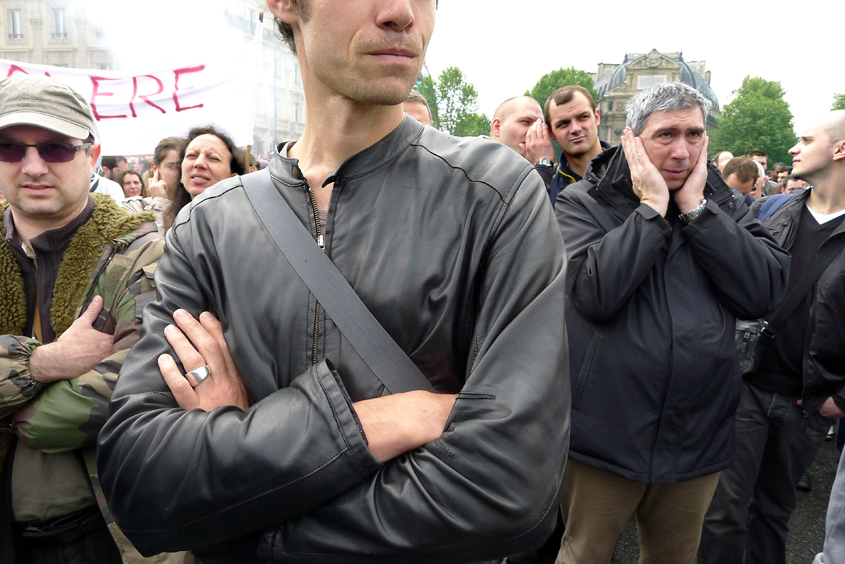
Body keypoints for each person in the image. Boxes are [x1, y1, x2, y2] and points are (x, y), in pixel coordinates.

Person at [97, 2, 569, 564]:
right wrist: (376, 421)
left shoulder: (495, 196)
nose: (401, 12)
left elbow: (508, 488)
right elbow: (139, 479)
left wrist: (238, 488)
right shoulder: (211, 224)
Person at [554, 82, 789, 564]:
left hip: (697, 431)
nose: (683, 151)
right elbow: (595, 294)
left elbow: (764, 291)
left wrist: (699, 213)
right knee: (584, 553)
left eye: (695, 134)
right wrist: (652, 210)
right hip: (606, 431)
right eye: (667, 135)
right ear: (632, 140)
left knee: (675, 556)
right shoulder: (583, 203)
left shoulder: (724, 205)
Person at [0, 75, 176, 562]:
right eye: (10, 148)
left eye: (55, 148)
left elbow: (145, 378)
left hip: (103, 532)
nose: (32, 166)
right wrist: (45, 363)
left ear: (92, 156)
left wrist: (25, 415)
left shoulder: (142, 254)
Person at [699, 110, 845, 564]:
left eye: (805, 138)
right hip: (747, 386)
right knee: (723, 513)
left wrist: (839, 397)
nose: (793, 149)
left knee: (773, 513)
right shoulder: (772, 209)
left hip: (809, 404)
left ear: (839, 149)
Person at [536, 85, 610, 207]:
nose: (575, 129)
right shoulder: (548, 187)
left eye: (583, 117)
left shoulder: (632, 171)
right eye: (563, 124)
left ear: (597, 117)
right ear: (550, 133)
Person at [163, 126, 244, 230]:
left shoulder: (247, 229)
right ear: (181, 176)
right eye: (191, 155)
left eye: (214, 158)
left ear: (233, 178)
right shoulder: (172, 227)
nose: (199, 163)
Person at [121, 136, 185, 233]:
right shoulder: (134, 207)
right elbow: (155, 246)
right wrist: (159, 203)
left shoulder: (198, 204)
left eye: (184, 165)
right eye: (173, 166)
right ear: (155, 168)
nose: (181, 172)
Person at [489, 95, 544, 160]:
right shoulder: (476, 165)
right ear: (497, 127)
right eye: (526, 122)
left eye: (540, 125)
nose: (535, 130)